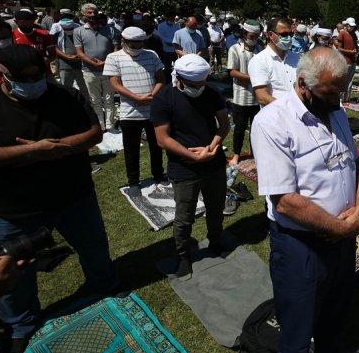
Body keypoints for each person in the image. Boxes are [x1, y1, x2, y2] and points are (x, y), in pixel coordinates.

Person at [0, 45, 118, 353]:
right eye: (26, 78)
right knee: (11, 270)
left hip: (73, 196)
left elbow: (93, 133)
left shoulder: (65, 96)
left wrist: (59, 147)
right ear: (5, 77)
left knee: (93, 246)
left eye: (40, 75)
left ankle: (103, 286)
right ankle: (21, 322)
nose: (35, 82)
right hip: (10, 207)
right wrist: (28, 152)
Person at [251, 47, 359, 353]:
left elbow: (355, 163)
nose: (338, 101)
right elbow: (285, 200)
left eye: (341, 92)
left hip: (342, 237)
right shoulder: (272, 122)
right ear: (303, 83)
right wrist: (339, 228)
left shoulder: (337, 112)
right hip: (300, 245)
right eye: (331, 93)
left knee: (336, 309)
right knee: (298, 328)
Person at [151, 54, 230, 278]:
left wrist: (212, 146)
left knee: (216, 207)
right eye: (195, 85)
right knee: (184, 216)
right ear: (181, 79)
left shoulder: (212, 92)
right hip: (184, 167)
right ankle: (183, 254)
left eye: (202, 83)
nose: (199, 88)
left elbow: (224, 124)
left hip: (212, 161)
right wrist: (192, 156)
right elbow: (162, 138)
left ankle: (215, 241)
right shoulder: (164, 98)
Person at [103, 27, 166, 194]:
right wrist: (136, 98)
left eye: (140, 43)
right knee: (131, 149)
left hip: (152, 110)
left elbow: (161, 79)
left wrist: (153, 94)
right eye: (134, 43)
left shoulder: (151, 54)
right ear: (124, 41)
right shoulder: (113, 57)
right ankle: (133, 181)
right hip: (129, 111)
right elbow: (115, 83)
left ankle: (158, 174)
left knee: (157, 145)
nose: (137, 46)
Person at [75, 11, 118, 131]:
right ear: (85, 19)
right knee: (95, 99)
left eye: (96, 19)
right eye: (90, 19)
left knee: (109, 98)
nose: (94, 22)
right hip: (89, 70)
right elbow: (79, 52)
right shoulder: (78, 31)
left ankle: (110, 124)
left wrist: (105, 63)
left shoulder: (110, 30)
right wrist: (92, 62)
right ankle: (100, 124)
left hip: (108, 69)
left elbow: (115, 49)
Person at [227, 21, 261, 158]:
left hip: (257, 97)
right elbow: (233, 72)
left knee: (256, 129)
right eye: (252, 36)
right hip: (241, 97)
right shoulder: (235, 49)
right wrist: (253, 78)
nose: (254, 39)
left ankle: (254, 153)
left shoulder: (259, 49)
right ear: (244, 34)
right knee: (239, 128)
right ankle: (236, 154)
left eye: (256, 36)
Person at [248, 17, 301, 106]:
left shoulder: (297, 58)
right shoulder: (259, 60)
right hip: (276, 116)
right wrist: (289, 107)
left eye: (290, 34)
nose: (288, 38)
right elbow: (262, 97)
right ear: (270, 35)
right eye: (284, 34)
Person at [52, 13, 88, 97]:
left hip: (80, 65)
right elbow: (54, 47)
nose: (68, 30)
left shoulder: (80, 30)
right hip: (65, 65)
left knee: (85, 88)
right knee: (66, 90)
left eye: (70, 28)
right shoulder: (57, 33)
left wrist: (80, 55)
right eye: (65, 29)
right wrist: (67, 57)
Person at [336, 19, 358, 102]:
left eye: (353, 26)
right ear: (346, 25)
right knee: (343, 79)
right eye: (350, 26)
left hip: (352, 60)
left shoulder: (353, 34)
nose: (351, 28)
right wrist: (349, 51)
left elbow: (355, 45)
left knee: (350, 80)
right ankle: (340, 98)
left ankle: (346, 98)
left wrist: (355, 51)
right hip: (345, 60)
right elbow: (339, 48)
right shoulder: (342, 33)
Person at [157, 15, 180, 80]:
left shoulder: (176, 25)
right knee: (167, 68)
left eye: (173, 19)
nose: (172, 20)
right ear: (166, 18)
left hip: (175, 50)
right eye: (170, 18)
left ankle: (177, 79)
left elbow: (178, 35)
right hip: (166, 50)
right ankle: (167, 81)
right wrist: (173, 42)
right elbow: (161, 37)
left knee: (177, 67)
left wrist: (176, 42)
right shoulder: (161, 26)